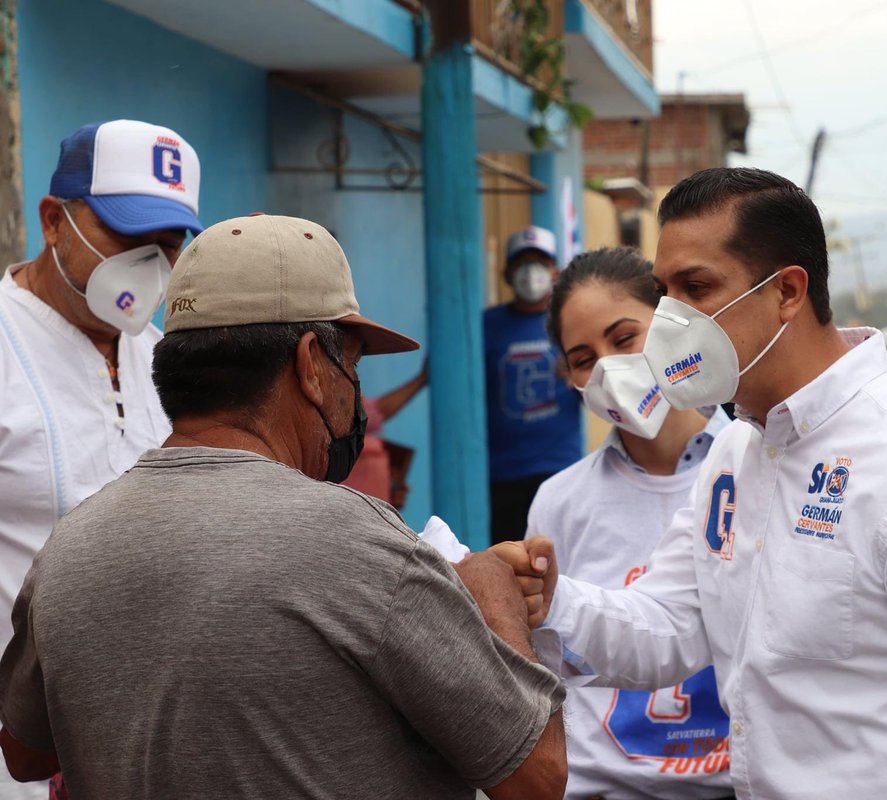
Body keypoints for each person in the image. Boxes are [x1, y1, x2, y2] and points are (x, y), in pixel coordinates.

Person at [507, 168, 887, 799]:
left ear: (786, 291)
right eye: (665, 294)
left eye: (697, 288)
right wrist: (551, 601)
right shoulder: (735, 455)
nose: (671, 322)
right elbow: (671, 626)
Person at [0, 215, 566, 799]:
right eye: (353, 364)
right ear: (311, 365)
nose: (354, 393)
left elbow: (24, 752)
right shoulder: (363, 548)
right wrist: (492, 597)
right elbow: (539, 780)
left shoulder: (69, 547)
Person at [0, 119, 203, 800]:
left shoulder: (165, 359)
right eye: (127, 235)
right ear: (54, 221)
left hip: (138, 755)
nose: (149, 263)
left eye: (167, 244)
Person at [529, 247, 734, 799]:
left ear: (670, 324)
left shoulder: (752, 467)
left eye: (624, 339)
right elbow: (546, 670)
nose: (608, 369)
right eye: (583, 359)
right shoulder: (560, 502)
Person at [485, 225, 582, 544]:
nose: (531, 272)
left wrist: (578, 374)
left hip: (560, 468)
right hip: (503, 475)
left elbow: (597, 393)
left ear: (555, 271)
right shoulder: (487, 325)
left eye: (539, 262)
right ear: (507, 273)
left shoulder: (572, 322)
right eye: (522, 262)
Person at [341, 361, 428, 501]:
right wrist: (420, 380)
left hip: (370, 502)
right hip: (351, 502)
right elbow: (369, 414)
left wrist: (391, 484)